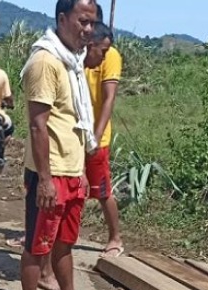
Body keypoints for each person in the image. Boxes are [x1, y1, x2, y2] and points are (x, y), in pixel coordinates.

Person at [19, 0, 105, 290]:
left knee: (65, 241)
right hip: (50, 172)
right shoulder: (45, 61)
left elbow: (72, 122)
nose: (88, 30)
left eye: (91, 23)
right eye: (82, 22)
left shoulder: (73, 62)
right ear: (62, 18)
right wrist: (44, 179)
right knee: (36, 243)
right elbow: (38, 125)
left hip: (71, 169)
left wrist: (80, 170)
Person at [85, 20, 124, 257]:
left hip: (96, 137)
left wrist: (96, 137)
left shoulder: (109, 56)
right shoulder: (76, 55)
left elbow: (109, 98)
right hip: (75, 136)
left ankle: (115, 238)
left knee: (101, 190)